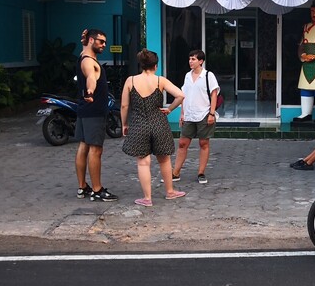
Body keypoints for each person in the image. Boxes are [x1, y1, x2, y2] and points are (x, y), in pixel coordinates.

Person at [121, 49, 186, 206]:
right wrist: (170, 109)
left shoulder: (130, 81)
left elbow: (124, 105)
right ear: (155, 66)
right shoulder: (160, 81)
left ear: (141, 65)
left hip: (139, 124)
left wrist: (124, 124)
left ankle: (147, 198)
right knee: (164, 159)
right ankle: (170, 191)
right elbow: (181, 95)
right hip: (158, 123)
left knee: (143, 162)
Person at [75, 28, 118, 202]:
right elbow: (91, 77)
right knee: (96, 150)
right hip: (94, 111)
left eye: (105, 42)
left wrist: (83, 40)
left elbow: (84, 50)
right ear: (92, 41)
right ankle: (97, 190)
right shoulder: (89, 63)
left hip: (84, 109)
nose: (104, 45)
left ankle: (82, 187)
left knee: (83, 146)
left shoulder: (83, 55)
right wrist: (90, 92)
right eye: (101, 41)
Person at [171, 49, 219, 185]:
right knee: (182, 143)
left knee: (203, 143)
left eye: (193, 59)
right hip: (189, 115)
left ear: (201, 61)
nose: (190, 61)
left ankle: (201, 172)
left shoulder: (208, 76)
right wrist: (182, 113)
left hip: (204, 114)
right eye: (190, 59)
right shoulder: (187, 76)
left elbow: (214, 94)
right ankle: (175, 173)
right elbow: (183, 95)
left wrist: (211, 113)